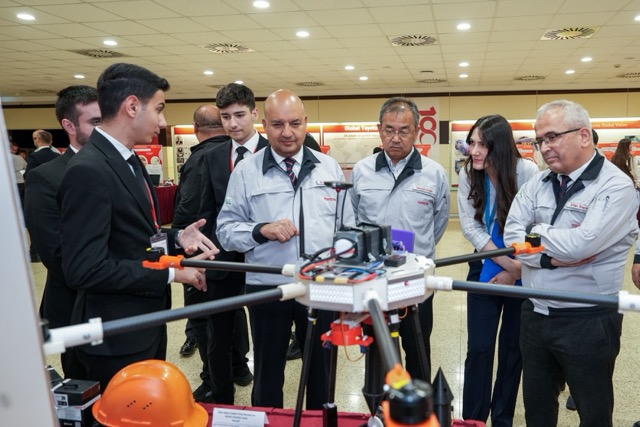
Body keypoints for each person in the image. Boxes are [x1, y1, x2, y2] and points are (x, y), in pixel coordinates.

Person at [58, 63, 218, 390]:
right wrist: (171, 273)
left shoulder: (129, 161)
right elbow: (84, 269)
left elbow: (133, 235)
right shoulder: (89, 170)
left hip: (145, 322)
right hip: (115, 336)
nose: (163, 121)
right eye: (158, 109)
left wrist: (176, 237)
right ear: (132, 106)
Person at [216, 89, 355, 409]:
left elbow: (347, 229)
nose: (287, 132)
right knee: (267, 374)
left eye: (295, 123)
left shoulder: (329, 168)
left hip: (320, 287)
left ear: (306, 122)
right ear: (264, 125)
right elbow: (225, 231)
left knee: (321, 374)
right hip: (267, 287)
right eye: (277, 124)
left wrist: (345, 285)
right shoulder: (246, 171)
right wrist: (260, 230)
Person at [504, 100, 638, 427]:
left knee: (593, 413)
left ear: (583, 135)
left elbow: (583, 244)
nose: (544, 147)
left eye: (552, 137)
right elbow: (512, 237)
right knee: (537, 410)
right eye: (540, 140)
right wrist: (550, 256)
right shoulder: (537, 183)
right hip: (535, 314)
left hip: (588, 318)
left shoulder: (616, 185)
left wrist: (536, 233)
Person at [350, 96, 450, 383]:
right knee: (378, 355)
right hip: (373, 281)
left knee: (418, 352)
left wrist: (419, 252)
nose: (396, 138)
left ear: (416, 131)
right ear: (379, 130)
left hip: (416, 282)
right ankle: (380, 404)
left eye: (404, 130)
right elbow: (353, 219)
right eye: (389, 130)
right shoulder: (362, 171)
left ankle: (418, 406)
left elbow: (439, 222)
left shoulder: (434, 173)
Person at [457, 115, 538, 426]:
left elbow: (536, 225)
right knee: (479, 348)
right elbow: (471, 227)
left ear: (500, 146)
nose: (475, 151)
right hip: (486, 266)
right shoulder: (469, 174)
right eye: (472, 143)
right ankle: (473, 418)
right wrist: (509, 267)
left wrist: (518, 272)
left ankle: (502, 418)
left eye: (483, 145)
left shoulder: (526, 171)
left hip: (524, 267)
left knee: (512, 351)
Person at [23, 85, 101, 379]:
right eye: (95, 122)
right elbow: (53, 251)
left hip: (127, 305)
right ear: (69, 126)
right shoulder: (46, 176)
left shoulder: (125, 166)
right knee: (87, 385)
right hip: (76, 305)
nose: (104, 129)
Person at [197, 83, 267, 404]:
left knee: (266, 336)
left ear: (254, 113)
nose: (233, 124)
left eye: (239, 115)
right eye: (225, 117)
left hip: (263, 259)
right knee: (219, 336)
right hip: (221, 260)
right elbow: (205, 213)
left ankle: (263, 403)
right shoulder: (212, 157)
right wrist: (203, 259)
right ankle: (222, 398)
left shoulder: (275, 151)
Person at [174, 105, 229, 362]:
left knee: (201, 314)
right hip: (226, 249)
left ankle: (212, 376)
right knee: (230, 311)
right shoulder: (231, 153)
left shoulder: (200, 158)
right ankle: (238, 368)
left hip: (200, 248)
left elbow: (188, 209)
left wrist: (179, 242)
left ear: (195, 127)